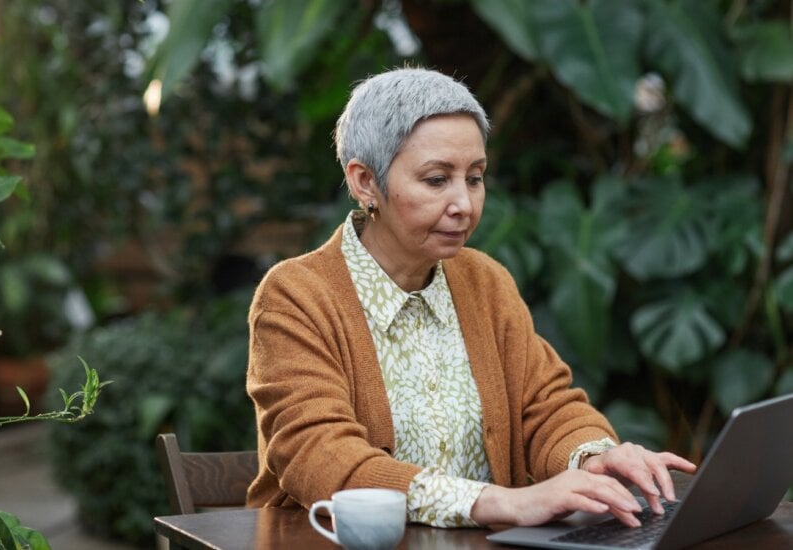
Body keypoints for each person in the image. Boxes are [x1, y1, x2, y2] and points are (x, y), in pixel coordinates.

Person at [245, 67, 696, 529]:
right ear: (365, 182)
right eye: (437, 180)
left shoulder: (484, 281)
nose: (465, 204)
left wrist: (593, 459)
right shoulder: (296, 297)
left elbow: (547, 408)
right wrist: (498, 503)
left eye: (475, 177)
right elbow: (320, 457)